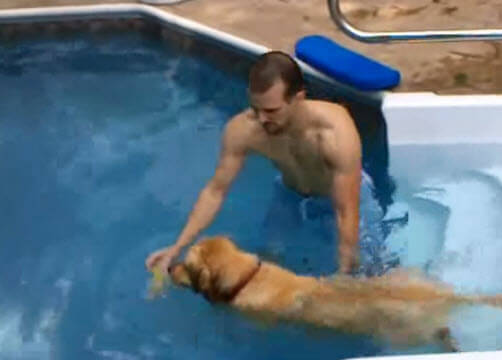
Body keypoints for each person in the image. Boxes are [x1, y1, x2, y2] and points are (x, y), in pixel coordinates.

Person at [146, 51, 385, 275]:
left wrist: (344, 277)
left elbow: (346, 211)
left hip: (342, 195)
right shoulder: (243, 130)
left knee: (367, 268)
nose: (261, 119)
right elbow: (215, 191)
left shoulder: (334, 130)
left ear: (298, 98)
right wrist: (177, 247)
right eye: (255, 108)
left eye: (271, 110)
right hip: (289, 194)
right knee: (266, 263)